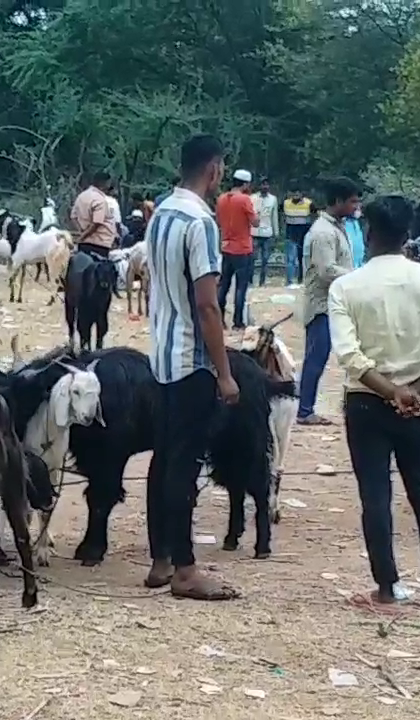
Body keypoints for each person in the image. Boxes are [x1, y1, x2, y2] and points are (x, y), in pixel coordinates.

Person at [328, 193, 420, 613]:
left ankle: (386, 589)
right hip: (418, 406)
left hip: (367, 403)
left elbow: (349, 355)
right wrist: (414, 391)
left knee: (376, 496)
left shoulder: (346, 287)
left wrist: (390, 391)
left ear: (367, 234)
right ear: (408, 236)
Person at [143, 133, 240, 601]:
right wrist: (224, 372)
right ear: (215, 169)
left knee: (163, 459)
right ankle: (184, 568)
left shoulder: (161, 212)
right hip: (191, 361)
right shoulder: (201, 222)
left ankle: (160, 557)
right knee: (184, 465)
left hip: (160, 354)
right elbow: (207, 305)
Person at [296, 177, 359, 425]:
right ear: (339, 201)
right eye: (352, 201)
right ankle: (304, 410)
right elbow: (326, 270)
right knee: (316, 356)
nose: (356, 206)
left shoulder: (337, 227)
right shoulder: (323, 232)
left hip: (335, 303)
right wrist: (358, 276)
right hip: (321, 305)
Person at [215, 169, 257, 328]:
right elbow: (255, 222)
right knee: (241, 287)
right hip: (243, 249)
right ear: (245, 184)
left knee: (223, 285)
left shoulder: (221, 199)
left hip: (226, 247)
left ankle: (219, 319)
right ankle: (237, 322)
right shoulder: (245, 200)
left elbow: (219, 221)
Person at [71, 171, 118, 260]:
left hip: (84, 244)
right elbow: (96, 223)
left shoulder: (81, 196)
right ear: (105, 183)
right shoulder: (99, 200)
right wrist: (83, 236)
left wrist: (81, 231)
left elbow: (73, 216)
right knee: (97, 272)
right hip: (99, 244)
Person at [282, 189, 313, 287]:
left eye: (298, 192)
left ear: (301, 194)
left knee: (302, 259)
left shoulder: (309, 203)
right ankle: (290, 281)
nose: (296, 194)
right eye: (293, 192)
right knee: (291, 259)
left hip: (304, 235)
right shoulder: (286, 203)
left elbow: (314, 215)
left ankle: (302, 279)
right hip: (291, 235)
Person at [250, 177, 279, 285]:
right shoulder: (252, 198)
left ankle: (262, 280)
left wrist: (276, 232)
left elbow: (274, 216)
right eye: (263, 184)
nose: (265, 187)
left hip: (267, 232)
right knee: (252, 257)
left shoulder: (273, 199)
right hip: (254, 231)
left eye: (267, 185)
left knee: (265, 258)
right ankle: (250, 279)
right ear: (259, 186)